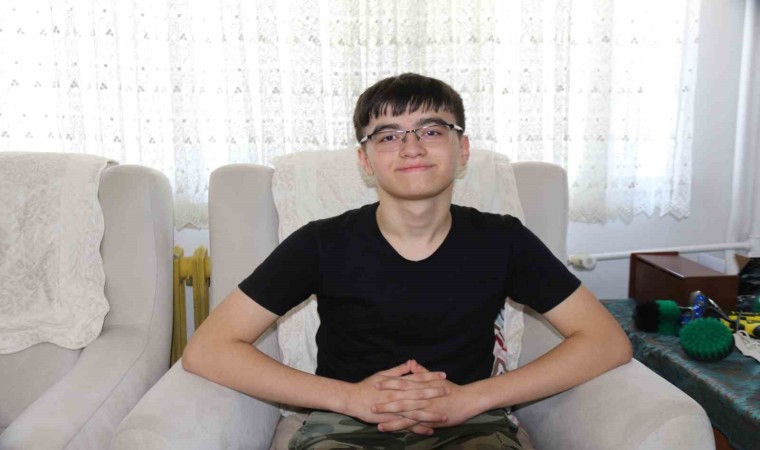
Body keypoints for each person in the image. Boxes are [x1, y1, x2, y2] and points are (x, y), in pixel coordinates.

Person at [182, 73, 633, 450]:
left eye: (432, 130)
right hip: (344, 427)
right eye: (388, 136)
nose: (411, 147)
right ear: (365, 161)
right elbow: (209, 349)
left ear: (463, 150)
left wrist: (472, 399)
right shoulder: (320, 243)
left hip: (472, 425)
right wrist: (351, 398)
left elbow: (605, 341)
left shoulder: (504, 240)